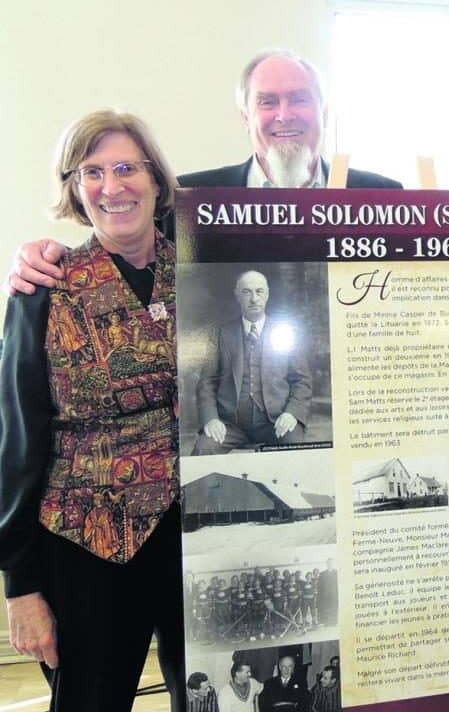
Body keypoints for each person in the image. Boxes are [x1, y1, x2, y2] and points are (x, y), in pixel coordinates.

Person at [0, 111, 184, 710]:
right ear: (76, 190)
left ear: (156, 180)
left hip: (197, 541)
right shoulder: (45, 288)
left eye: (127, 167)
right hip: (88, 547)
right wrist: (20, 587)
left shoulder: (206, 271)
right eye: (93, 172)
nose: (113, 186)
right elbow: (19, 443)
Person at [4, 49, 401, 295]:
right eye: (267, 102)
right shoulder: (188, 200)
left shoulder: (384, 197)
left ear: (323, 112)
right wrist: (40, 255)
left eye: (300, 99)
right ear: (246, 116)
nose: (284, 115)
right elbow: (126, 257)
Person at [193, 269, 312, 453]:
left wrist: (291, 413)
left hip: (275, 421)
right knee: (203, 449)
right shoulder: (220, 334)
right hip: (230, 425)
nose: (254, 299)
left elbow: (302, 381)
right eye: (247, 292)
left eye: (259, 291)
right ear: (237, 295)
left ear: (267, 294)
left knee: (296, 448)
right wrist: (211, 418)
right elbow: (207, 383)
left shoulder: (287, 332)